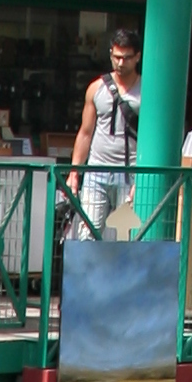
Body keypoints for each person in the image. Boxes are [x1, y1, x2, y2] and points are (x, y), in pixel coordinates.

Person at [69, 30, 141, 237]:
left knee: (127, 237)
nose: (120, 63)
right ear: (110, 54)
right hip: (96, 170)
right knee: (87, 234)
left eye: (126, 58)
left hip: (130, 172)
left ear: (137, 57)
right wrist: (74, 171)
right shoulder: (96, 88)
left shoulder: (145, 91)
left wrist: (141, 180)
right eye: (116, 57)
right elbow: (85, 133)